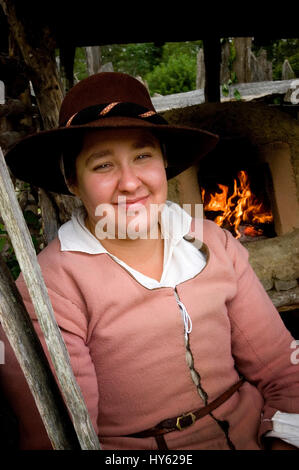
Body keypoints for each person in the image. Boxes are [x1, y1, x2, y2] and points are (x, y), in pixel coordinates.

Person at [0, 72, 299, 451]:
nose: (130, 182)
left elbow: (281, 367)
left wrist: (284, 443)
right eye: (102, 165)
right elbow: (65, 438)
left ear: (164, 163)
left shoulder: (212, 242)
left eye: (143, 156)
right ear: (73, 182)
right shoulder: (53, 286)